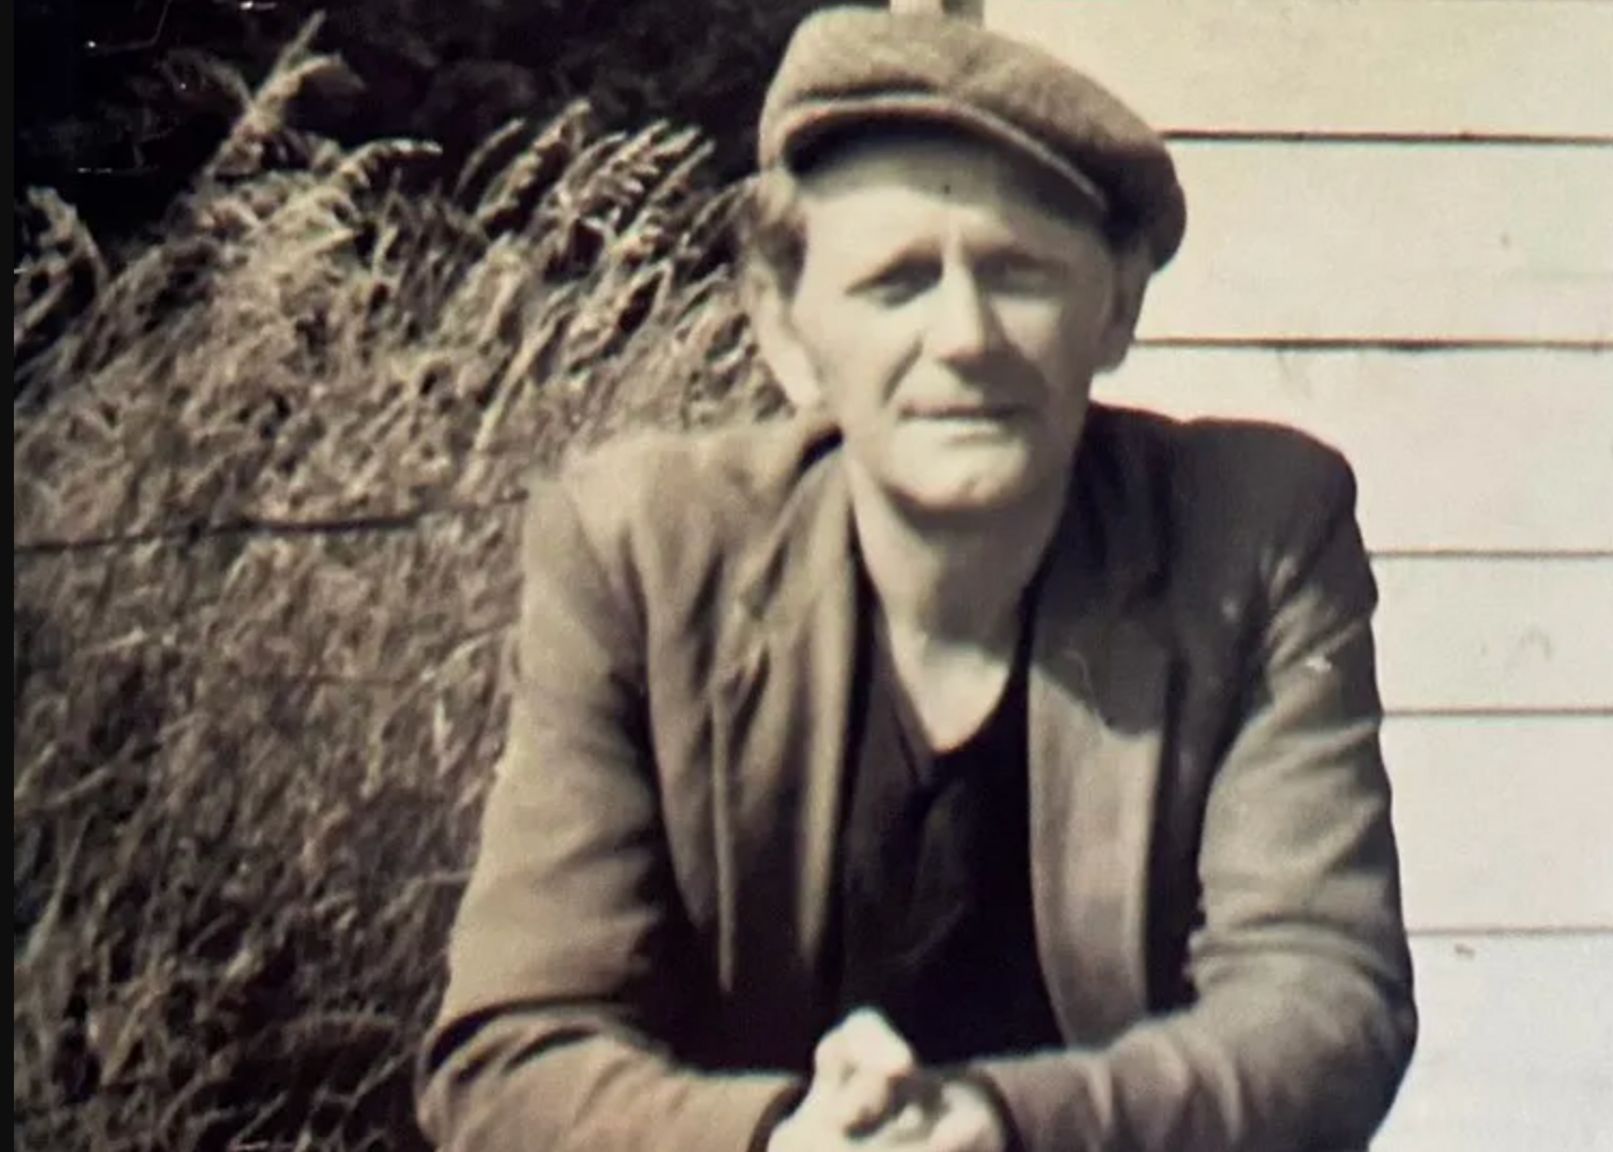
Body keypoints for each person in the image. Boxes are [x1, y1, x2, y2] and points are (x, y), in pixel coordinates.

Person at [416, 8, 1417, 1151]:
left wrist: (999, 1125)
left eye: (1018, 273)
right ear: (786, 329)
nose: (963, 336)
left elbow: (1324, 1001)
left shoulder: (1253, 533)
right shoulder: (643, 551)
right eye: (896, 281)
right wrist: (777, 1139)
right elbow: (514, 1048)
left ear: (1117, 309)